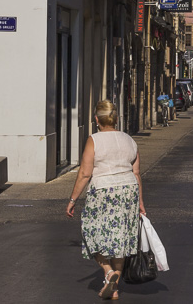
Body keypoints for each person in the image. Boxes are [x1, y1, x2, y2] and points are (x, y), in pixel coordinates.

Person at [66, 100, 146, 300]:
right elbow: (136, 173)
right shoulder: (129, 140)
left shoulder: (94, 140)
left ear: (96, 119)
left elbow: (85, 173)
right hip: (128, 189)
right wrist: (141, 202)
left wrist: (73, 199)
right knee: (121, 237)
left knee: (90, 231)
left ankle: (109, 273)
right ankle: (114, 288)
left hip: (103, 190)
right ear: (116, 119)